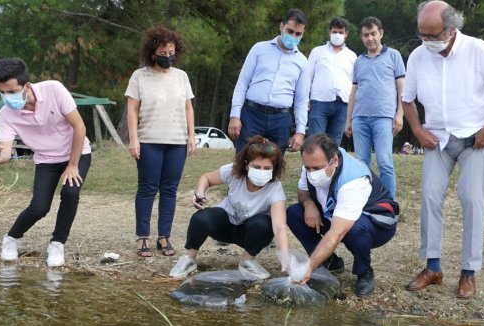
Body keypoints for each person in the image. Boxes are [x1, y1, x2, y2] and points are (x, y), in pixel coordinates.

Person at [402, 1, 484, 299]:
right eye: (421, 35)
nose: (427, 42)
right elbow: (407, 99)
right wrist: (416, 129)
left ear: (452, 29)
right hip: (437, 139)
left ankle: (468, 273)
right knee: (429, 195)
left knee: (471, 198)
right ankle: (433, 267)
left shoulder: (479, 51)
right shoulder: (417, 57)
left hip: (474, 138)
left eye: (433, 35)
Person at [0, 58, 92, 267]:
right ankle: (11, 239)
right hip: (46, 159)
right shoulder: (6, 114)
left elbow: (79, 127)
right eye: (3, 92)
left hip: (76, 152)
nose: (7, 97)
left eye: (12, 91)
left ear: (26, 85)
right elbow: (6, 151)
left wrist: (72, 165)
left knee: (70, 193)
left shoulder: (54, 89)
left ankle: (57, 244)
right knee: (39, 208)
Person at [286, 134, 399, 298]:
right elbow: (303, 191)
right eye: (307, 168)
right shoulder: (311, 163)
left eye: (317, 168)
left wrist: (308, 267)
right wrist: (309, 205)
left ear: (335, 161)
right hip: (334, 212)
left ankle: (364, 272)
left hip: (376, 223)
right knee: (294, 213)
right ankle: (330, 262)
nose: (311, 173)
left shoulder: (353, 180)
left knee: (355, 229)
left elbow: (336, 233)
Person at [169, 136, 290, 279]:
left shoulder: (275, 188)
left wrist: (285, 258)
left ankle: (247, 260)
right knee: (200, 218)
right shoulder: (233, 172)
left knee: (266, 224)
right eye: (256, 167)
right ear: (246, 165)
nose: (261, 171)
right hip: (224, 226)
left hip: (250, 233)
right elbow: (206, 178)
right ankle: (189, 258)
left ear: (273, 168)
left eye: (267, 168)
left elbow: (280, 227)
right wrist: (200, 192)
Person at [125, 26, 195, 258]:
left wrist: (191, 135)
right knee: (147, 188)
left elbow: (188, 107)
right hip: (149, 140)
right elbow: (132, 109)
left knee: (170, 190)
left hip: (177, 141)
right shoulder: (139, 76)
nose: (168, 57)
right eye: (163, 53)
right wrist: (134, 139)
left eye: (171, 52)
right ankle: (142, 237)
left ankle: (164, 236)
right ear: (152, 52)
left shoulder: (182, 76)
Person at [228, 9, 308, 153]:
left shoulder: (302, 62)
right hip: (252, 115)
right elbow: (242, 83)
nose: (293, 36)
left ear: (303, 33)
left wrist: (300, 132)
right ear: (281, 26)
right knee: (243, 162)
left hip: (281, 120)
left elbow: (301, 100)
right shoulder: (259, 49)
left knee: (274, 167)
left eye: (298, 34)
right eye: (290, 31)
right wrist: (235, 116)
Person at [344, 16, 405, 199]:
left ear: (381, 34)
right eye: (365, 35)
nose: (370, 38)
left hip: (383, 117)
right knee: (362, 164)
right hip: (360, 118)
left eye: (373, 34)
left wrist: (400, 113)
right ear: (361, 37)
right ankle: (366, 201)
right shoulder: (359, 61)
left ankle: (389, 204)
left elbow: (402, 87)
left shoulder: (393, 55)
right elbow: (353, 92)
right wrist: (349, 119)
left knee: (385, 163)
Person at [303, 17, 357, 146]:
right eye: (334, 32)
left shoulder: (352, 56)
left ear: (346, 34)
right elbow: (307, 77)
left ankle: (331, 166)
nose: (337, 35)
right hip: (319, 102)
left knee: (334, 145)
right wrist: (305, 100)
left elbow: (355, 84)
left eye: (340, 32)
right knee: (315, 142)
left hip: (342, 104)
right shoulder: (317, 52)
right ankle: (312, 166)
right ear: (329, 32)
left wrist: (353, 108)